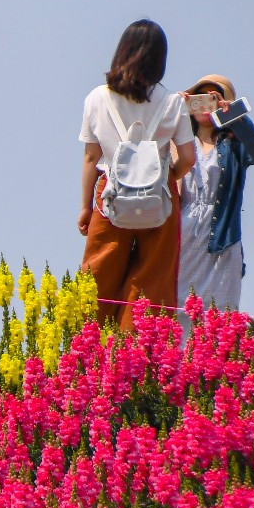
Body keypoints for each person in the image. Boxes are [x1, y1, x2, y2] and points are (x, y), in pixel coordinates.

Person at [78, 19, 197, 326]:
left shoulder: (96, 98)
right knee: (152, 283)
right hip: (159, 194)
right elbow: (187, 158)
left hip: (110, 194)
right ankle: (135, 360)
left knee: (98, 279)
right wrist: (166, 176)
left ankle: (89, 354)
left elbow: (92, 157)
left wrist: (84, 209)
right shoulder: (173, 102)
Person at [176, 73, 254, 312]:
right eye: (201, 96)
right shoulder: (178, 141)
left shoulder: (235, 145)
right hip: (181, 232)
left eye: (213, 98)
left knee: (219, 313)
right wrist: (171, 110)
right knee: (175, 308)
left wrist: (235, 118)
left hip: (222, 236)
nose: (206, 103)